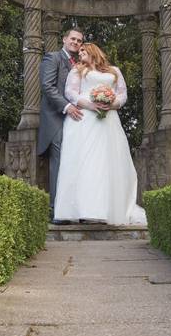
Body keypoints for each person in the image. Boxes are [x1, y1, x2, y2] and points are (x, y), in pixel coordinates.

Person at [53, 43, 147, 226]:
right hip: (84, 120)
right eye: (79, 51)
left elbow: (122, 94)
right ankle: (79, 210)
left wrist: (112, 104)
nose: (79, 53)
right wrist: (90, 105)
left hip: (108, 120)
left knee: (106, 163)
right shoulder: (77, 71)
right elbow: (70, 93)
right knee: (84, 162)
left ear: (93, 51)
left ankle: (104, 210)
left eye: (83, 50)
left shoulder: (114, 71)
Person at [38, 28, 85, 223]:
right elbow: (47, 86)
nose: (75, 42)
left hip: (76, 121)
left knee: (77, 163)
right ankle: (57, 210)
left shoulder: (80, 63)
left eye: (79, 40)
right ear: (64, 39)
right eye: (72, 38)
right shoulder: (53, 57)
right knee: (59, 162)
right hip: (56, 118)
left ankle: (76, 208)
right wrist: (66, 106)